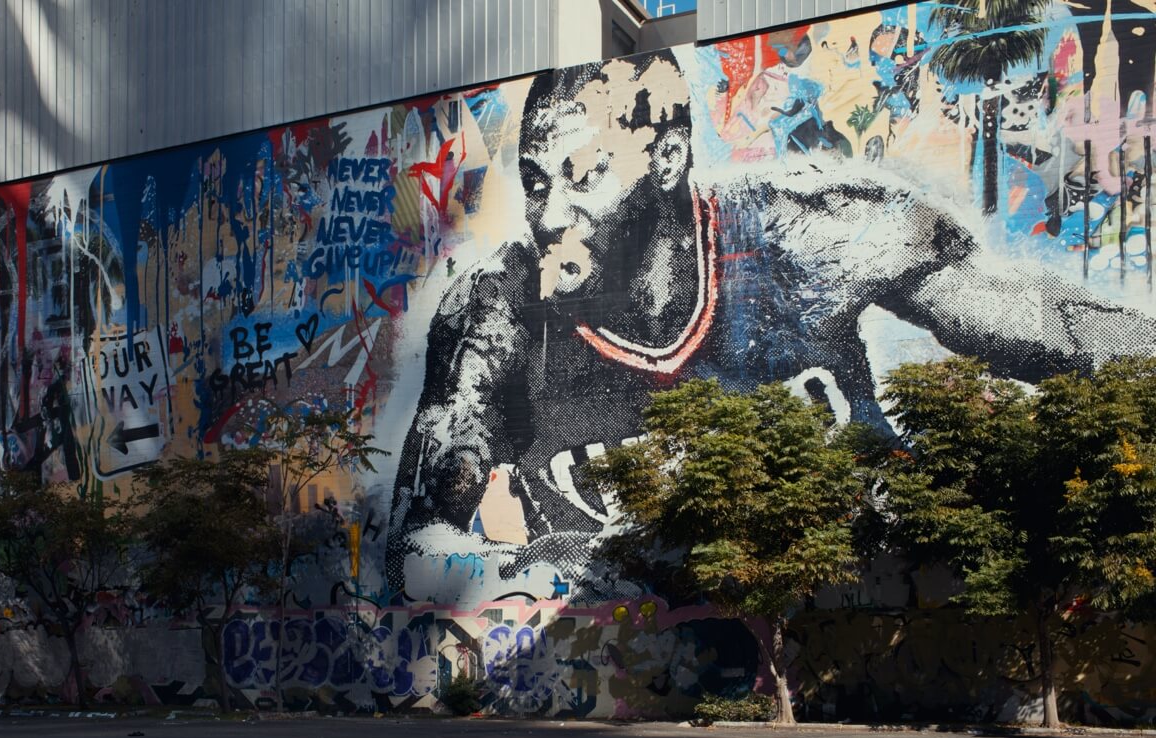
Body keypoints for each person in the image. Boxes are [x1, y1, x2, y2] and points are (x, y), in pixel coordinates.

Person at [389, 48, 1156, 604]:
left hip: (863, 602)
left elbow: (1044, 323)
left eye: (584, 176)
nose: (550, 212)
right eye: (534, 182)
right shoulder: (494, 310)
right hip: (629, 656)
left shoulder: (811, 234)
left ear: (667, 158)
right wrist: (531, 570)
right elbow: (416, 550)